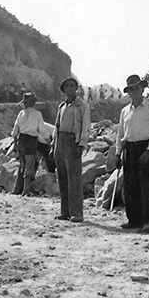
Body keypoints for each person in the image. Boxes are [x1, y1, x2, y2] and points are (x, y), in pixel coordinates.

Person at [114, 73, 149, 232]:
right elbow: (120, 134)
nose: (133, 91)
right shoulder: (124, 111)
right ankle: (134, 220)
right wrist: (118, 153)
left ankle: (148, 221)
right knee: (130, 186)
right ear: (128, 92)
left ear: (142, 89)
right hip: (129, 148)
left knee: (146, 186)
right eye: (130, 89)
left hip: (145, 148)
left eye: (136, 88)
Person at [53, 76, 91, 222]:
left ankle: (77, 213)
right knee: (62, 178)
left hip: (72, 141)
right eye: (67, 86)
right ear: (64, 89)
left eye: (72, 86)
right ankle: (65, 211)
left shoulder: (82, 106)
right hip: (60, 142)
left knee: (74, 178)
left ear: (76, 88)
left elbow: (86, 126)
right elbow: (56, 127)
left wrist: (81, 144)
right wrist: (54, 145)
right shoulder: (61, 107)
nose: (69, 88)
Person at [11, 93, 47, 195]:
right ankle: (25, 190)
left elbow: (15, 131)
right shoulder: (37, 114)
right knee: (30, 164)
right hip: (31, 140)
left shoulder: (21, 114)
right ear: (34, 102)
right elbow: (42, 130)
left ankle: (17, 189)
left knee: (22, 164)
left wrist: (15, 144)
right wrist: (46, 139)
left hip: (21, 139)